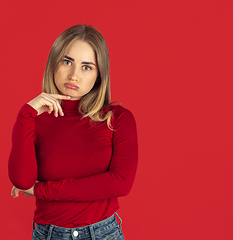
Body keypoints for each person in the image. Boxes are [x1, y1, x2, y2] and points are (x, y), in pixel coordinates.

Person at [8, 25, 138, 240]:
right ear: (54, 63)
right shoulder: (35, 119)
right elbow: (22, 182)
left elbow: (120, 182)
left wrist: (41, 190)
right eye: (67, 62)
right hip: (48, 234)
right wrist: (26, 114)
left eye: (87, 67)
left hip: (102, 234)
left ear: (99, 75)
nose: (74, 75)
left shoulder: (117, 118)